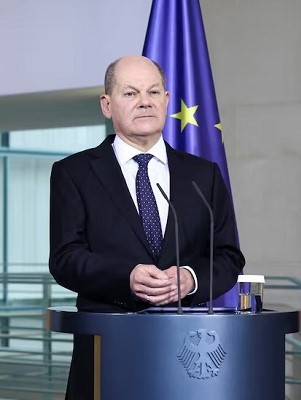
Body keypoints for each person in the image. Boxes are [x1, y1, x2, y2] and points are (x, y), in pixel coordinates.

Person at [48, 55, 245, 399]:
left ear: (166, 101)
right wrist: (126, 276)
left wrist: (191, 278)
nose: (145, 102)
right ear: (107, 105)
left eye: (153, 92)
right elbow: (65, 258)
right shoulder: (73, 173)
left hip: (187, 352)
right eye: (130, 93)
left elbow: (228, 257)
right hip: (107, 348)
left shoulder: (204, 175)